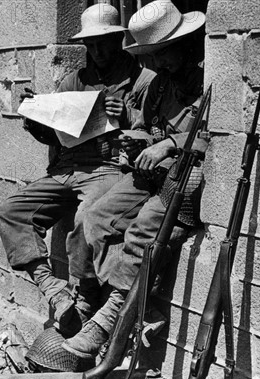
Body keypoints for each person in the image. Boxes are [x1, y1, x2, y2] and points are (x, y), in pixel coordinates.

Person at [0, 3, 155, 336]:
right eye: (90, 45)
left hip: (107, 167)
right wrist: (36, 118)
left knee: (87, 218)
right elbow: (53, 132)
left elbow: (153, 132)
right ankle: (52, 288)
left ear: (117, 39)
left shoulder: (141, 78)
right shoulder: (76, 79)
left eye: (103, 43)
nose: (96, 51)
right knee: (11, 211)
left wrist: (125, 116)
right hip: (65, 168)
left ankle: (85, 297)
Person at [63, 0, 208, 358]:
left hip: (186, 179)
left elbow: (220, 137)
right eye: (152, 56)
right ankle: (131, 308)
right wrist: (140, 139)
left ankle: (113, 315)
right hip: (150, 172)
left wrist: (170, 145)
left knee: (143, 228)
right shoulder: (159, 85)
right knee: (94, 218)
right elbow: (146, 127)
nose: (158, 63)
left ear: (185, 44)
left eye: (164, 54)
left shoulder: (210, 79)